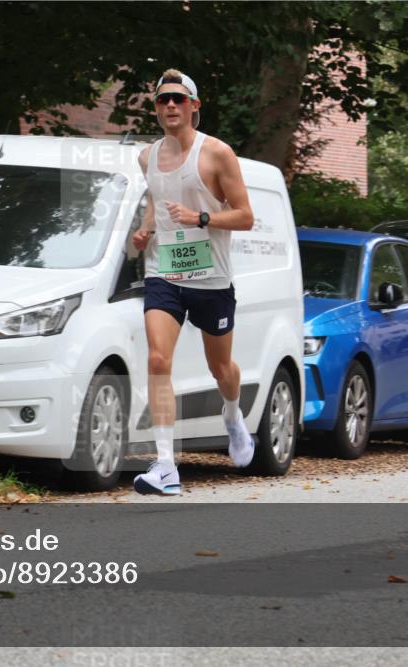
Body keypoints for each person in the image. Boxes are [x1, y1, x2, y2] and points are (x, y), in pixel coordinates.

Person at [131, 69, 255, 495]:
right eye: (162, 99)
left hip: (211, 277)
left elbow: (245, 216)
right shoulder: (146, 156)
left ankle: (233, 416)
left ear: (193, 106)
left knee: (221, 368)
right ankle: (166, 466)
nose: (169, 106)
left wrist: (200, 217)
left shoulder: (217, 154)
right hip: (164, 271)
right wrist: (145, 229)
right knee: (157, 360)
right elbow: (156, 201)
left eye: (177, 100)